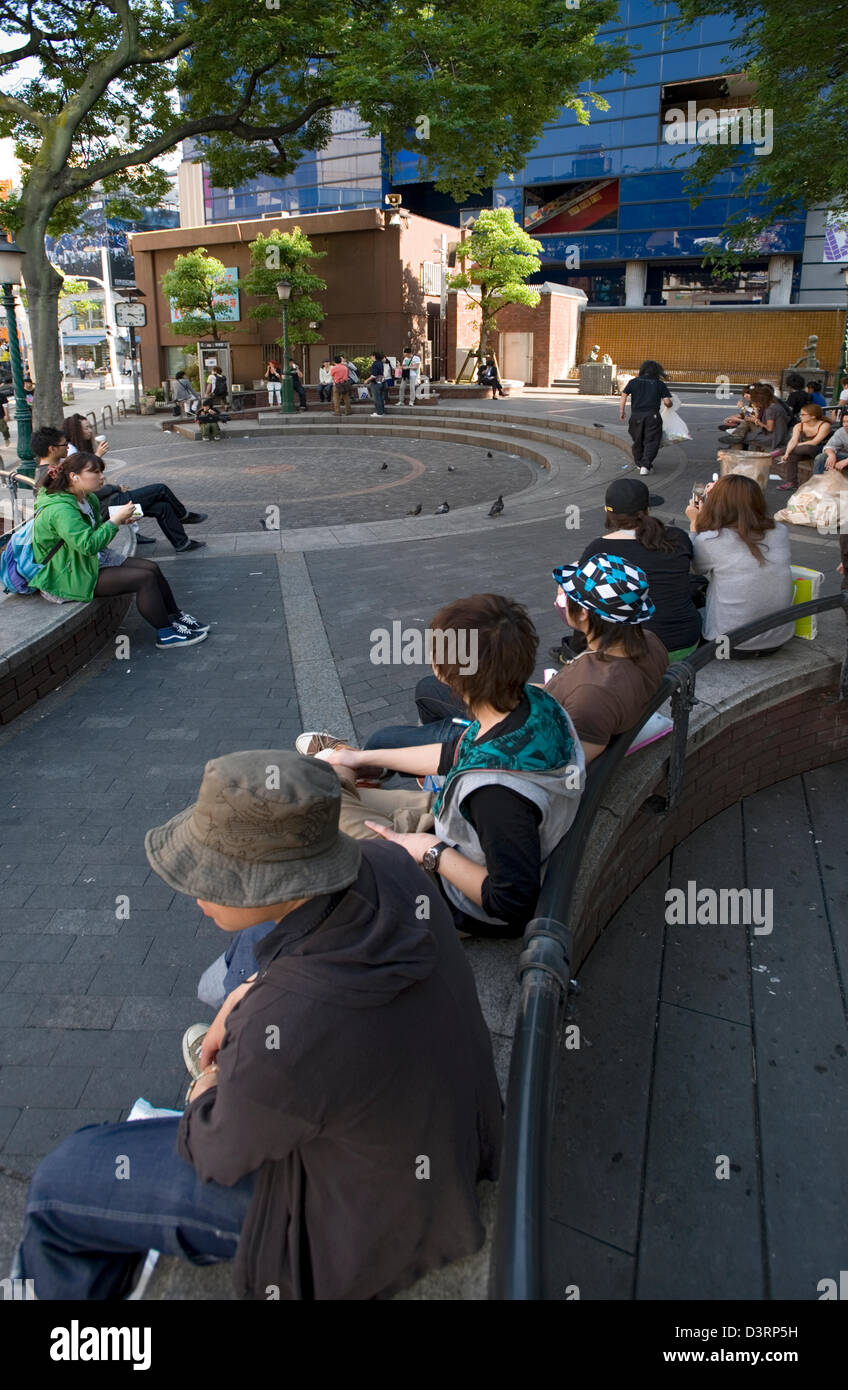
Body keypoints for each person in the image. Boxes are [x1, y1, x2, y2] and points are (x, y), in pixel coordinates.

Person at [16, 750, 502, 1301]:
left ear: (273, 882)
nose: (197, 892)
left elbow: (218, 1152)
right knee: (249, 954)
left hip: (357, 1216)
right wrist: (250, 992)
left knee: (63, 1181)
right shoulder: (389, 864)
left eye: (216, 875)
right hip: (435, 1128)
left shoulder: (287, 1023)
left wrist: (207, 1087)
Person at [298, 594, 584, 940]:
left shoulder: (495, 794)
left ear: (447, 675)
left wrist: (430, 852)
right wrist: (362, 758)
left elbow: (512, 903)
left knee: (312, 807)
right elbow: (455, 753)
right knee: (327, 789)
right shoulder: (534, 702)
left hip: (452, 894)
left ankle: (333, 763)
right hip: (460, 828)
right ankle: (341, 761)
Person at [29, 452, 209, 648]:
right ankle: (166, 634)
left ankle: (175, 617)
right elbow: (88, 545)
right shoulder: (61, 510)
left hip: (84, 562)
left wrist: (119, 520)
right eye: (95, 472)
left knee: (151, 568)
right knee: (144, 579)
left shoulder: (87, 499)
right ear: (74, 476)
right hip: (65, 575)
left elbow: (93, 533)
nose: (102, 477)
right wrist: (114, 521)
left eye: (102, 471)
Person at [555, 478, 701, 663]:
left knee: (577, 594)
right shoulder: (678, 537)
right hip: (685, 642)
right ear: (648, 509)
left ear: (607, 513)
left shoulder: (599, 548)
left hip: (638, 650)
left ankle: (576, 652)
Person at [544, 554, 669, 763]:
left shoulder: (593, 693)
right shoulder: (650, 642)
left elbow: (570, 765)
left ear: (583, 613)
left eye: (564, 598)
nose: (559, 603)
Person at [685, 474, 794, 657]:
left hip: (727, 646)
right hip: (778, 639)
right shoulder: (779, 530)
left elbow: (694, 567)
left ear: (718, 504)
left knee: (689, 591)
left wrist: (695, 524)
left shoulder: (711, 540)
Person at [619, 360, 673, 474]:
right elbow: (667, 401)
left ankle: (639, 463)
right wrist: (670, 405)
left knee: (638, 440)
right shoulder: (659, 384)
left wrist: (622, 411)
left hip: (636, 416)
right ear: (657, 371)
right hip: (652, 416)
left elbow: (623, 395)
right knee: (652, 440)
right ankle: (645, 465)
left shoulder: (633, 382)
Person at [777, 404, 832, 490]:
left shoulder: (825, 425)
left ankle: (778, 452)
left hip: (821, 449)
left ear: (813, 416)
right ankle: (792, 483)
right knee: (791, 456)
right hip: (802, 450)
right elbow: (793, 440)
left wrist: (797, 445)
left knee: (808, 447)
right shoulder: (799, 425)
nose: (800, 416)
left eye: (803, 414)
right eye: (800, 414)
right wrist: (787, 453)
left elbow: (815, 442)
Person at [728, 384, 789, 454]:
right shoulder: (773, 405)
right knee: (742, 432)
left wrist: (755, 420)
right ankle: (735, 439)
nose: (746, 397)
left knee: (742, 437)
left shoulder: (770, 409)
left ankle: (733, 452)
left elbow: (769, 428)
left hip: (772, 438)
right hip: (774, 434)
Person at [365, 351, 387, 416]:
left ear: (374, 356)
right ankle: (382, 412)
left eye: (371, 356)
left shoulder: (374, 364)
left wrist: (367, 380)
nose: (371, 357)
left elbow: (373, 376)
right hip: (382, 381)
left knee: (376, 398)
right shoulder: (380, 363)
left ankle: (379, 413)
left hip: (375, 383)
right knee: (380, 397)